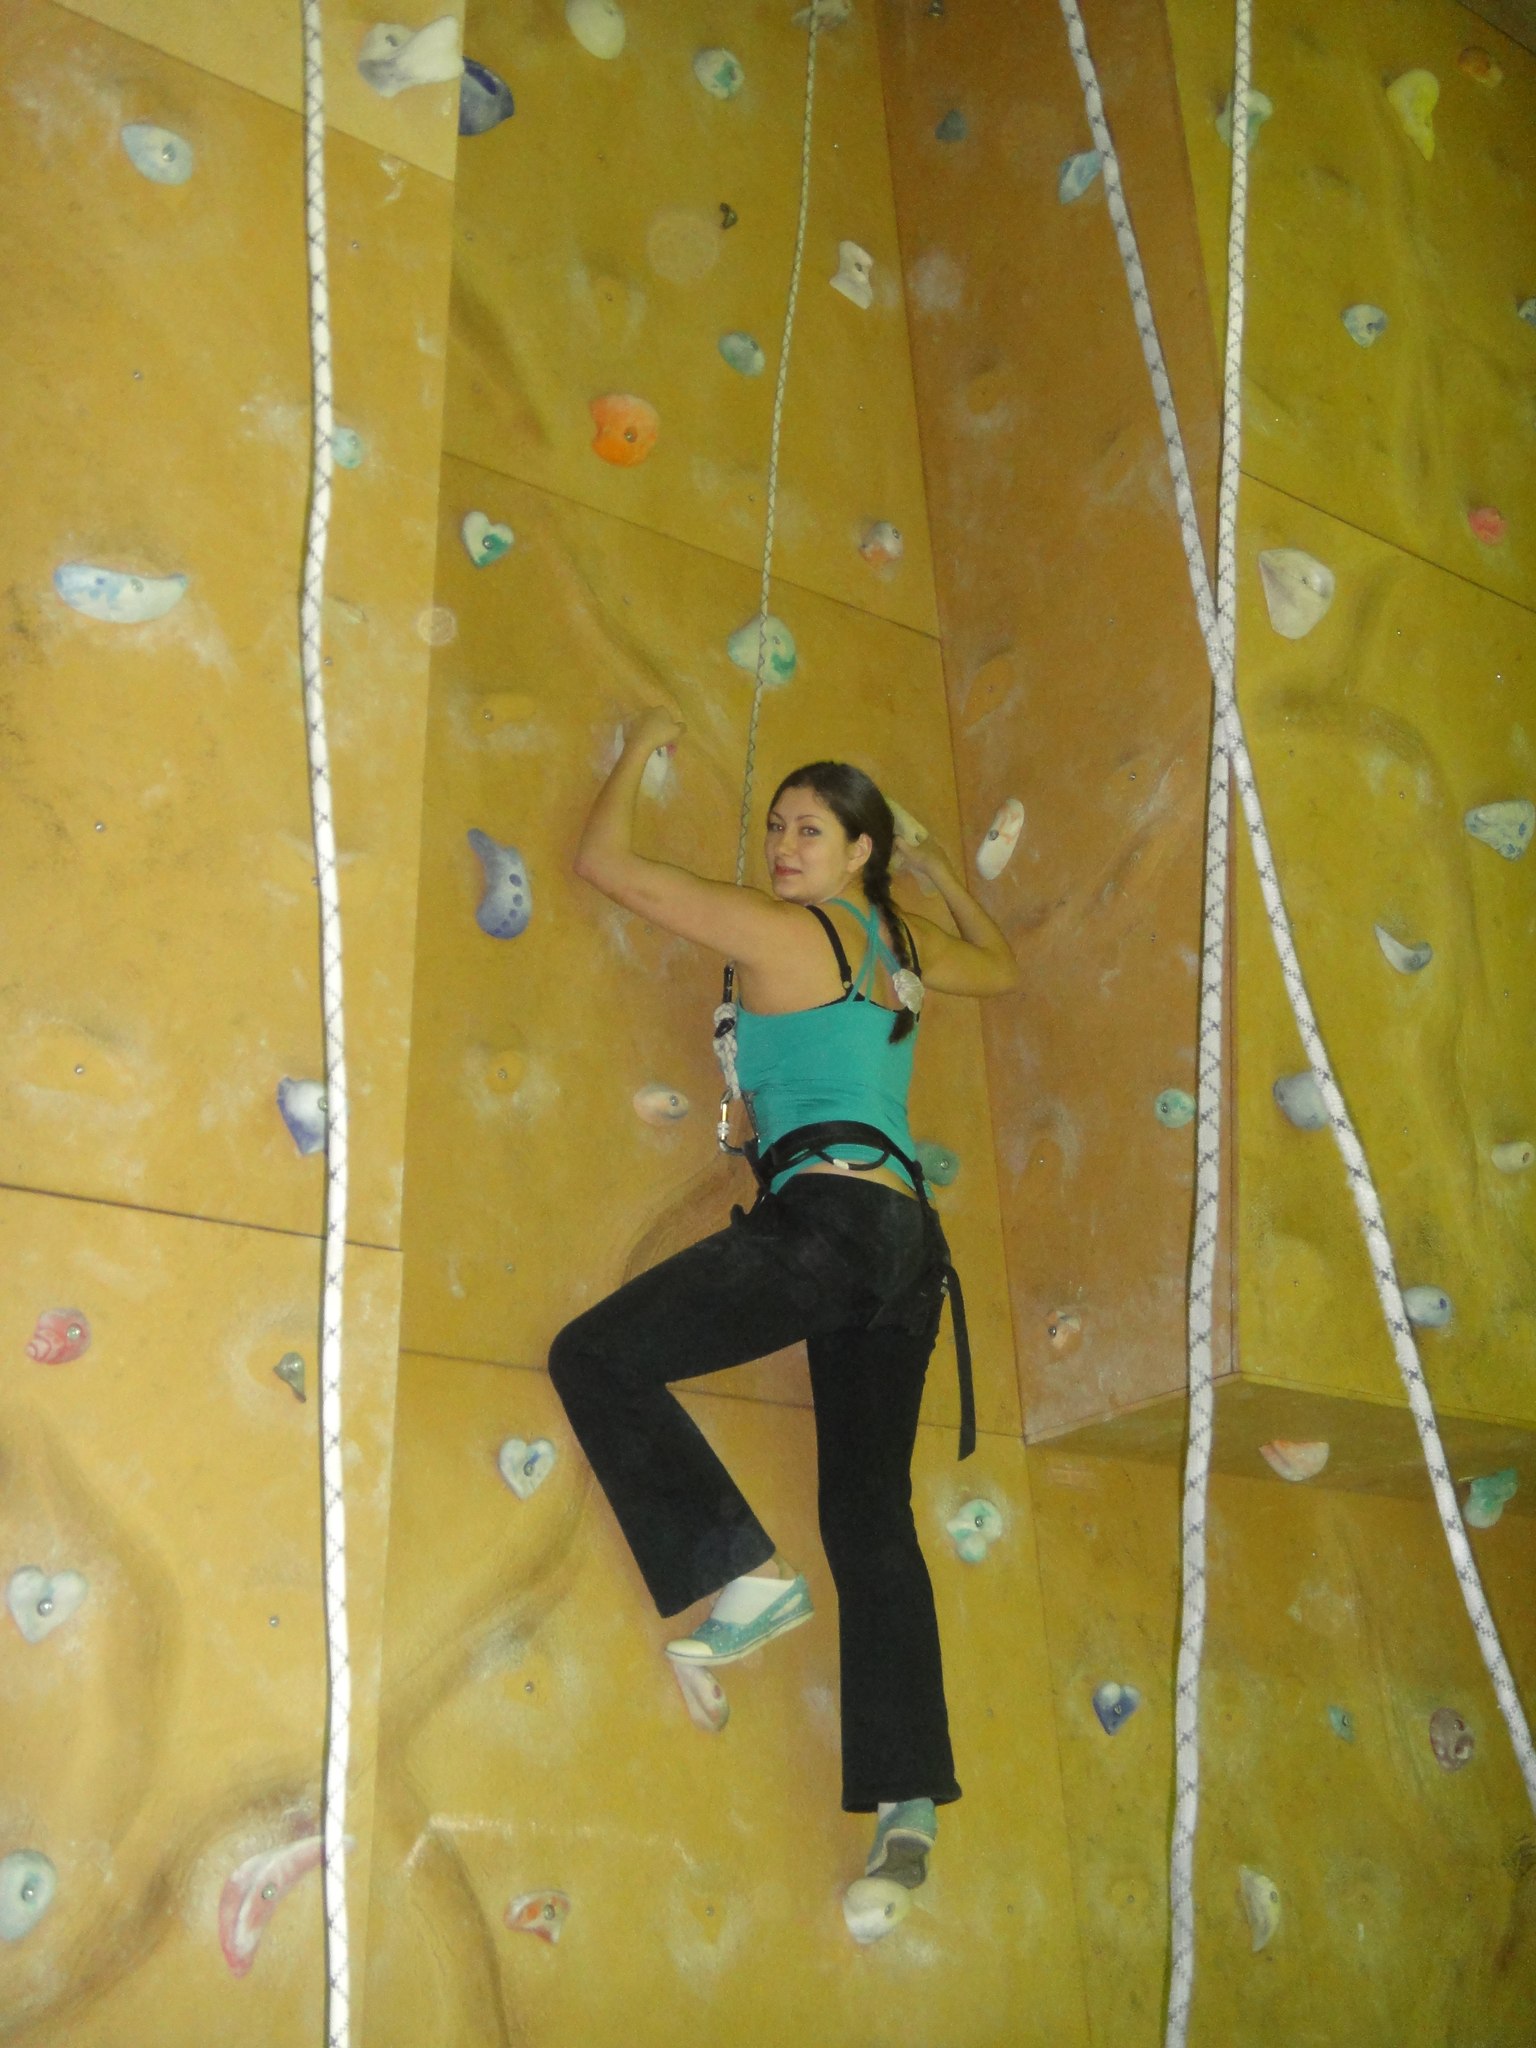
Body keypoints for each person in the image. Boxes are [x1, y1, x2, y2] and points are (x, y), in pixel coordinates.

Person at [548, 706, 1019, 1896]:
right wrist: (936, 870)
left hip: (837, 1225)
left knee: (597, 1356)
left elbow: (604, 863)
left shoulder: (784, 930)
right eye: (776, 827)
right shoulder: (899, 942)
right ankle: (908, 1807)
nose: (782, 846)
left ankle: (746, 1575)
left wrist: (640, 742)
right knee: (868, 1517)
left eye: (810, 829)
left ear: (859, 850)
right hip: (905, 1250)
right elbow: (1004, 965)